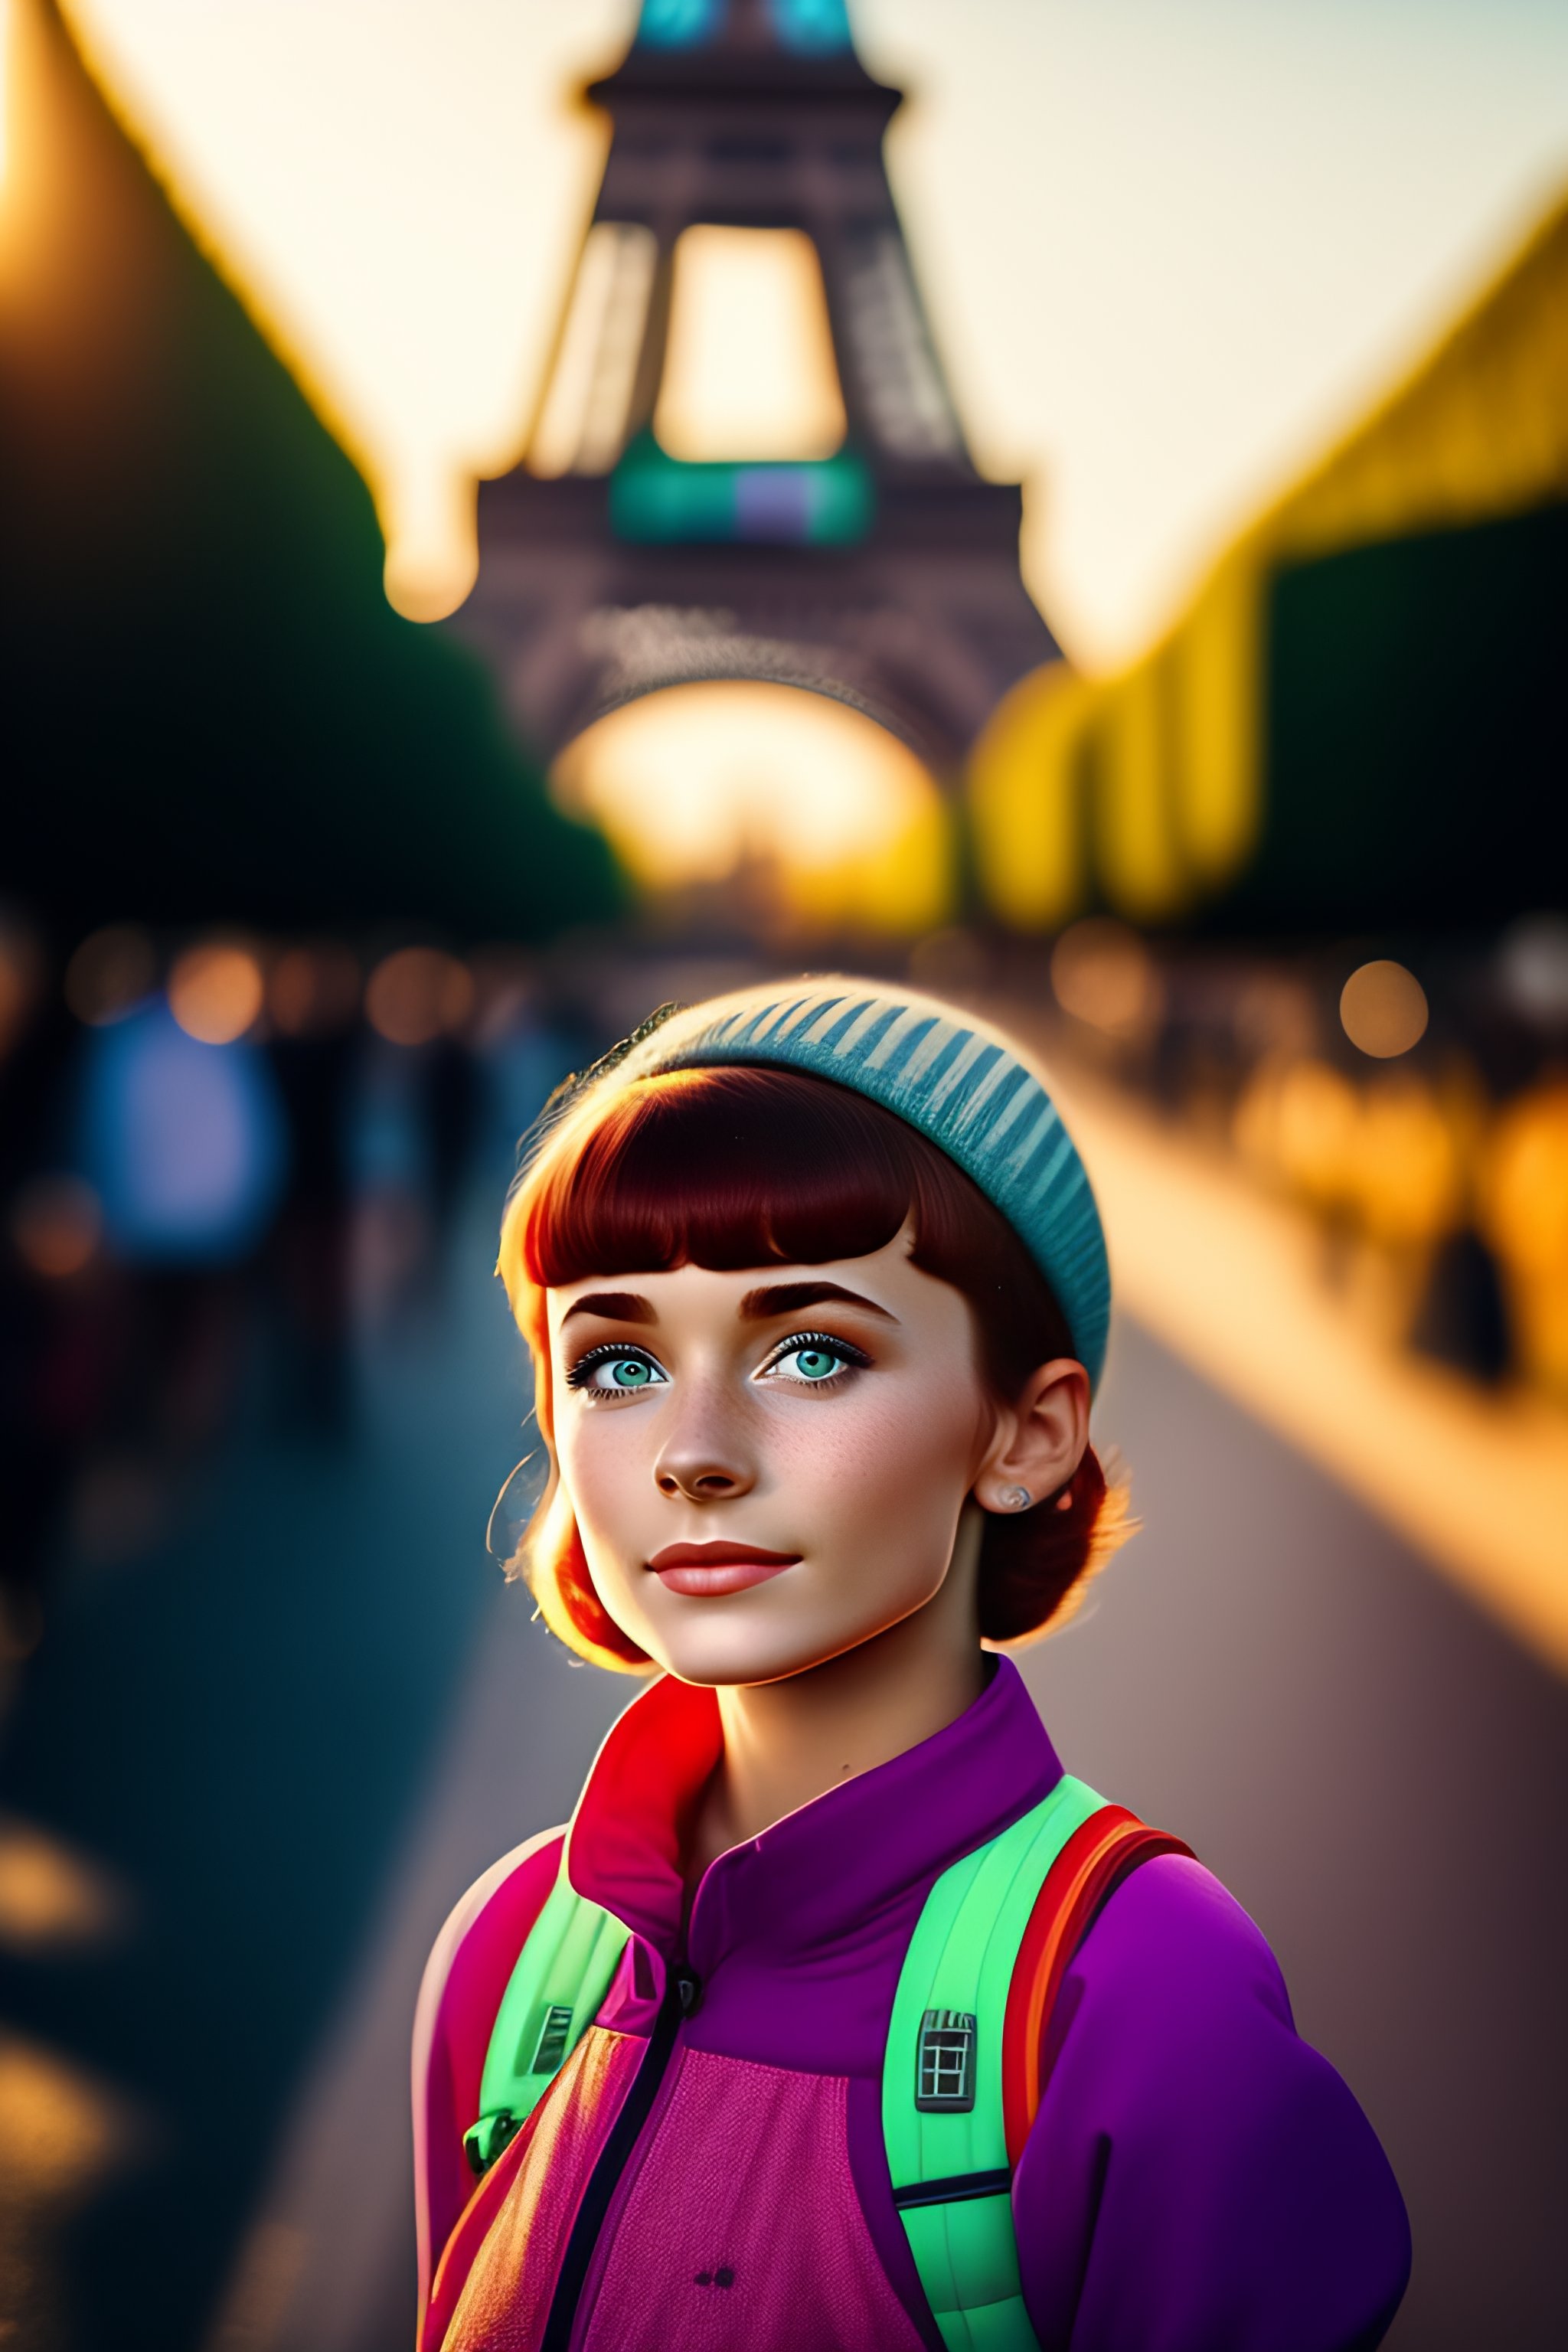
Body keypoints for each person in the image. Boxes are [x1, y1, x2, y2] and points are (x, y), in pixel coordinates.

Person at [413, 979, 1410, 2352]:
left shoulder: (1134, 1998)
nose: (693, 1449)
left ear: (1026, 1435)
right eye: (615, 1363)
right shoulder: (509, 1959)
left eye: (812, 1352)